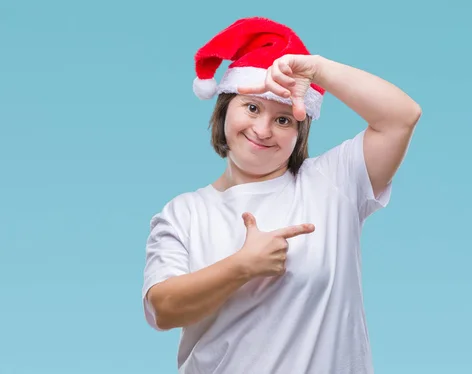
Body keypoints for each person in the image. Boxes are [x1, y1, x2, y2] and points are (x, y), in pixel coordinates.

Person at [141, 16, 421, 374]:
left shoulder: (333, 183)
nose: (263, 129)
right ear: (225, 109)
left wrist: (317, 69)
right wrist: (242, 267)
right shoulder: (185, 213)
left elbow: (401, 117)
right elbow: (163, 309)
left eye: (284, 119)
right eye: (252, 107)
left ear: (299, 131)